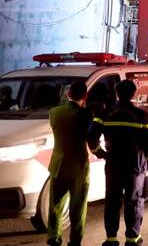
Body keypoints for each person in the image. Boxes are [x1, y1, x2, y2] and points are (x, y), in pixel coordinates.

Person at [88, 79, 148, 246]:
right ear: (133, 94)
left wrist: (100, 153)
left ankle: (111, 238)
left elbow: (91, 136)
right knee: (134, 200)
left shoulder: (105, 114)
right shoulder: (142, 115)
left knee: (112, 201)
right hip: (135, 165)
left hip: (113, 164)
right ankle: (132, 238)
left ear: (117, 93)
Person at [47, 80, 92, 246]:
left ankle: (53, 237)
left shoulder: (54, 112)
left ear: (68, 94)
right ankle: (75, 240)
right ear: (85, 96)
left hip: (57, 164)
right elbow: (90, 138)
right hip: (78, 167)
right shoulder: (86, 114)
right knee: (78, 207)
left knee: (55, 204)